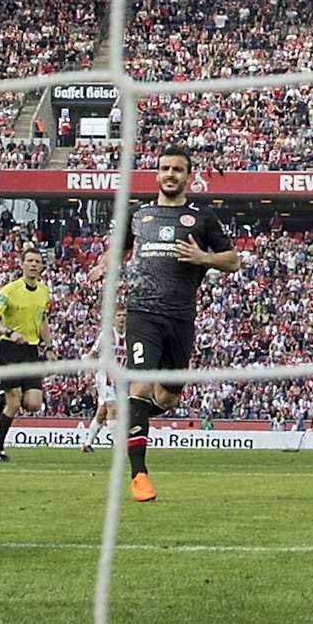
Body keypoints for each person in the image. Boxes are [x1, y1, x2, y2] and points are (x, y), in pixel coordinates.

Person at [87, 144, 237, 503]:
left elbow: (233, 260)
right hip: (142, 312)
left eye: (177, 169)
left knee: (167, 398)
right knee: (139, 386)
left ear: (188, 176)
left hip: (181, 316)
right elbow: (117, 246)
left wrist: (204, 258)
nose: (170, 174)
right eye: (165, 168)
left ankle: (136, 415)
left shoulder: (202, 217)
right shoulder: (139, 215)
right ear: (156, 174)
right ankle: (139, 474)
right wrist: (106, 263)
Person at [0, 247, 51, 462]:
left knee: (33, 403)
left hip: (31, 350)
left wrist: (48, 346)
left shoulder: (44, 291)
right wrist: (9, 332)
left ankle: (1, 396)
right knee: (15, 402)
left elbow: (42, 319)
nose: (33, 264)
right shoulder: (8, 291)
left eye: (37, 261)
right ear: (21, 264)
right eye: (29, 261)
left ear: (41, 266)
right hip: (10, 349)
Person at [79, 309, 128, 453]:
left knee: (102, 412)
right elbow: (93, 354)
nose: (122, 318)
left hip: (121, 379)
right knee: (113, 408)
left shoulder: (131, 337)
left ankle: (87, 444)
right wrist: (87, 371)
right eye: (118, 315)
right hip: (105, 377)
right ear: (113, 319)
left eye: (124, 315)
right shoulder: (107, 335)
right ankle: (119, 444)